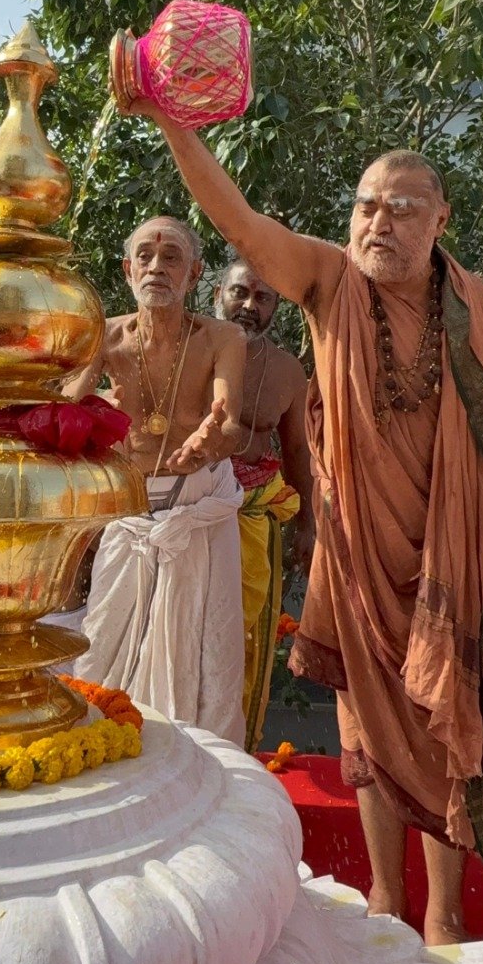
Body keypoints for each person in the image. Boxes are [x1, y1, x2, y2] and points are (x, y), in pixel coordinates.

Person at [124, 107, 483, 944]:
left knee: (452, 723)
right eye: (365, 207)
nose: (377, 223)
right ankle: (388, 901)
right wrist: (173, 124)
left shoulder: (469, 300)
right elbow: (234, 216)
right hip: (356, 552)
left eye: (400, 209)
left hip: (448, 552)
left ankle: (445, 914)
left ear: (440, 219)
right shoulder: (324, 279)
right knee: (365, 722)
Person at [65, 216, 247, 743]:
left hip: (198, 506)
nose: (156, 268)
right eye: (145, 256)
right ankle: (100, 750)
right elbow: (64, 410)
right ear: (127, 270)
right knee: (102, 641)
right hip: (129, 509)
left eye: (171, 259)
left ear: (194, 276)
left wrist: (212, 437)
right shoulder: (105, 338)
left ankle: (204, 767)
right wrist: (93, 405)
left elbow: (227, 417)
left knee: (207, 649)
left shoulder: (223, 336)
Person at [214, 257, 315, 750]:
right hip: (189, 512)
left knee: (249, 640)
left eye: (263, 298)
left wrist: (308, 526)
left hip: (254, 514)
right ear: (218, 292)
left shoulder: (287, 371)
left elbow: (297, 451)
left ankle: (238, 750)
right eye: (241, 293)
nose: (250, 306)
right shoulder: (189, 349)